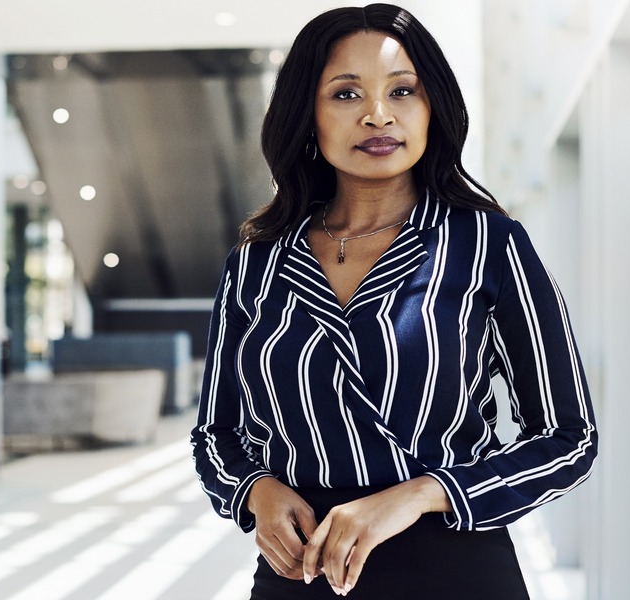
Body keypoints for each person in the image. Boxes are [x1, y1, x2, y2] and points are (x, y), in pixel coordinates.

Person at [189, 4, 598, 599]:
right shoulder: (254, 263)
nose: (378, 115)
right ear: (309, 114)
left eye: (402, 90)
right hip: (302, 577)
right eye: (346, 94)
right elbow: (215, 434)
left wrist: (418, 496)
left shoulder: (488, 245)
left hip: (455, 568)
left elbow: (569, 439)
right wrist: (255, 489)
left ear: (432, 108)